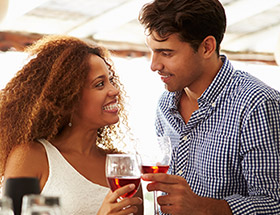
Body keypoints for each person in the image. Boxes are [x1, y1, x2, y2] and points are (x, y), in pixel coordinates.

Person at [138, 0, 280, 214]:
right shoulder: (165, 104)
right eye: (152, 51)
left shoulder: (257, 104)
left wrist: (204, 208)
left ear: (207, 47)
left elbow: (274, 203)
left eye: (166, 53)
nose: (154, 65)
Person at [0, 35, 143, 215]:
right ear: (70, 97)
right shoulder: (31, 157)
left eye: (110, 81)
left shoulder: (123, 167)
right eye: (100, 84)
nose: (114, 91)